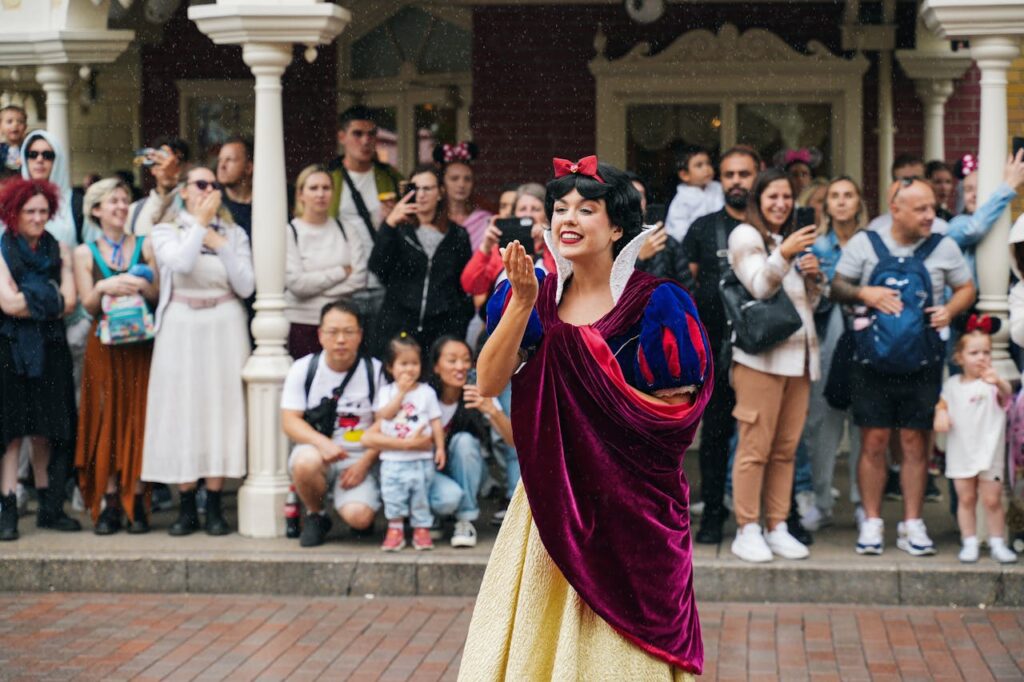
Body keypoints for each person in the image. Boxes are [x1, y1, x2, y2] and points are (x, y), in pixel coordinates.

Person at [460, 156, 713, 679]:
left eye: (586, 209)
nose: (567, 219)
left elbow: (670, 421)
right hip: (553, 502)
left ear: (618, 226)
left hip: (632, 509)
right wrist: (522, 305)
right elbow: (487, 383)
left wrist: (600, 443)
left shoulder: (658, 303)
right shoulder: (531, 295)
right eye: (560, 208)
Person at [831, 178, 975, 556]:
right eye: (922, 209)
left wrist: (951, 309)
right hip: (871, 362)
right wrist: (865, 292)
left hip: (923, 362)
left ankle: (913, 524)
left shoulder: (943, 246)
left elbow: (966, 288)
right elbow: (837, 286)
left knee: (915, 444)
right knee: (874, 441)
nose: (932, 216)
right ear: (896, 210)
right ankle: (873, 521)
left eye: (932, 207)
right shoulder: (865, 243)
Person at [142, 166, 254, 536]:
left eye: (213, 185)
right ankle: (186, 503)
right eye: (200, 184)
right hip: (181, 325)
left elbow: (246, 284)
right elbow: (181, 263)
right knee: (182, 410)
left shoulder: (233, 233)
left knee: (221, 410)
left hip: (223, 321)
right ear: (186, 191)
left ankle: (216, 502)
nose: (208, 189)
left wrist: (220, 244)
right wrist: (198, 226)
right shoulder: (165, 230)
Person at [727, 169, 822, 563]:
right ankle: (747, 529)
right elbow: (759, 287)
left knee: (785, 451)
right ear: (758, 200)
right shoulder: (744, 236)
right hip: (760, 361)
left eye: (786, 197)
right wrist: (784, 256)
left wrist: (815, 280)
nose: (781, 203)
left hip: (799, 360)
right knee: (754, 449)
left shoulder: (788, 240)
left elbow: (805, 307)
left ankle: (777, 526)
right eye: (772, 197)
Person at [680, 146, 760, 544]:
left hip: (764, 350)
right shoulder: (703, 228)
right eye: (729, 175)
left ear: (757, 177)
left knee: (761, 437)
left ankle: (765, 519)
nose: (736, 182)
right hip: (715, 348)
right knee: (714, 436)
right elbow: (689, 286)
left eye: (744, 174)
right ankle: (713, 514)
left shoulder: (770, 225)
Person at [73, 178, 158, 535]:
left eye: (125, 201)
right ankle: (108, 501)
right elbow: (86, 305)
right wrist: (104, 285)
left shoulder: (145, 244)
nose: (122, 207)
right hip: (103, 347)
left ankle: (136, 498)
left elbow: (156, 295)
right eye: (113, 202)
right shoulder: (84, 252)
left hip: (140, 346)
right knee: (105, 417)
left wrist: (141, 284)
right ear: (96, 210)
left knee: (138, 417)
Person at [0, 178, 80, 541]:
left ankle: (50, 508)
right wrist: (47, 294)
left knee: (47, 428)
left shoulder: (59, 248)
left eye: (43, 211)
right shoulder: (1, 250)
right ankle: (8, 509)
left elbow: (69, 303)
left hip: (51, 348)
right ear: (13, 213)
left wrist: (32, 296)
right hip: (11, 349)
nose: (37, 217)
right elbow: (7, 304)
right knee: (12, 432)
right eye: (29, 211)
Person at [281, 301, 386, 547]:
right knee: (305, 462)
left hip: (359, 457)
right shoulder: (303, 369)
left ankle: (352, 503)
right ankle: (316, 514)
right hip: (319, 452)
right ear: (320, 335)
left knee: (360, 519)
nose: (340, 339)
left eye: (348, 332)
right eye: (332, 332)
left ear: (359, 335)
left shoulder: (375, 371)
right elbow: (289, 421)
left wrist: (364, 463)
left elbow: (384, 423)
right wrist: (323, 443)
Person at [802, 176, 867, 530]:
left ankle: (862, 501)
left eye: (848, 195)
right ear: (826, 206)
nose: (841, 202)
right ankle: (822, 501)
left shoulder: (873, 243)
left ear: (858, 202)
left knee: (863, 425)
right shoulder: (816, 247)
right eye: (834, 197)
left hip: (865, 341)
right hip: (826, 341)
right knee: (822, 425)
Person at [934, 316, 1017, 564]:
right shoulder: (952, 385)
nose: (981, 358)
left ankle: (997, 541)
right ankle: (969, 540)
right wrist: (941, 414)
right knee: (966, 498)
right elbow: (942, 404)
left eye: (986, 352)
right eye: (974, 353)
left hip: (989, 452)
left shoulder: (991, 384)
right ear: (959, 357)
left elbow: (1007, 396)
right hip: (962, 451)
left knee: (992, 500)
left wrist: (998, 382)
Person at [369, 164, 473, 353]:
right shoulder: (398, 230)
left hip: (441, 330)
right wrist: (390, 223)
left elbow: (463, 285)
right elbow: (377, 267)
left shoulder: (458, 235)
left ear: (440, 193)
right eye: (415, 188)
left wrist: (457, 325)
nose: (421, 194)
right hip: (398, 326)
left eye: (427, 188)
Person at [428, 335, 515, 547]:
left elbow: (513, 441)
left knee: (465, 441)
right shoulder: (424, 394)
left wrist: (490, 410)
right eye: (452, 360)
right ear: (436, 366)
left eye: (466, 360)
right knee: (447, 499)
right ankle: (433, 515)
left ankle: (464, 520)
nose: (460, 366)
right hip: (429, 472)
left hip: (470, 469)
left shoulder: (479, 390)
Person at [366, 334, 445, 551]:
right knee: (393, 495)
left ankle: (421, 529)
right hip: (393, 459)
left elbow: (435, 421)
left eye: (414, 363)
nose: (409, 369)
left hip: (421, 459)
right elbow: (385, 416)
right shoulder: (386, 392)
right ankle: (395, 528)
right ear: (391, 367)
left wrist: (439, 448)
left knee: (421, 495)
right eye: (403, 364)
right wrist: (400, 393)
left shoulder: (426, 392)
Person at [328, 106, 403, 330]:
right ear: (342, 137)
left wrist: (393, 221)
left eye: (371, 134)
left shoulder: (390, 177)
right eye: (357, 134)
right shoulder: (329, 178)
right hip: (342, 280)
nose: (365, 141)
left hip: (381, 277)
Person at [285, 165, 367, 358]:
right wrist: (339, 272)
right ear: (300, 194)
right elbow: (297, 284)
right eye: (313, 188)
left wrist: (315, 290)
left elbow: (359, 279)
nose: (320, 194)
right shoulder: (290, 233)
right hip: (302, 324)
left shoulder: (347, 230)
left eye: (326, 188)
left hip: (341, 326)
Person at [948, 150, 1024, 283]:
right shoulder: (957, 225)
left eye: (980, 188)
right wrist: (1008, 186)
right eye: (968, 189)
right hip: (969, 302)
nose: (975, 194)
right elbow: (974, 229)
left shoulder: (1008, 227)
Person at [867, 154, 950, 234]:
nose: (912, 186)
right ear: (894, 185)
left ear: (926, 182)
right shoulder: (877, 229)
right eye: (906, 181)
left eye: (917, 180)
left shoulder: (942, 230)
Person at [126, 137, 190, 237]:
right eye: (161, 162)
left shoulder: (194, 207)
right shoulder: (134, 211)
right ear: (153, 169)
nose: (166, 168)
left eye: (176, 163)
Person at [435, 142, 493, 251]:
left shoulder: (485, 221)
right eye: (454, 178)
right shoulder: (433, 219)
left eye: (467, 179)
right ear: (442, 185)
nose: (461, 184)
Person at [664, 144, 723, 243]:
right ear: (684, 175)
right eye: (699, 165)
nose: (706, 168)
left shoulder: (718, 188)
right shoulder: (682, 199)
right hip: (692, 245)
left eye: (708, 163)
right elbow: (678, 231)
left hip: (720, 239)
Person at [216, 135, 253, 237]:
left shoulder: (265, 201)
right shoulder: (212, 197)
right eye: (220, 160)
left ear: (249, 168)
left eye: (230, 160)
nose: (222, 166)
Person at [1, 105, 27, 179]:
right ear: (1, 127)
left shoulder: (28, 149)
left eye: (20, 122)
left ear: (25, 127)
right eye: (9, 121)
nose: (15, 125)